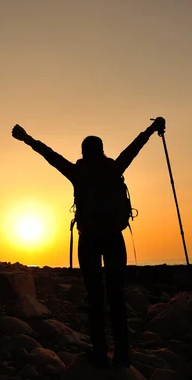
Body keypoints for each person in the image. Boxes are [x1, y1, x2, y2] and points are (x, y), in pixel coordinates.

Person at [11, 118, 166, 369]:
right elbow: (134, 147)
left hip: (89, 240)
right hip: (114, 238)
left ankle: (100, 353)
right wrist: (152, 128)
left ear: (83, 152)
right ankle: (123, 356)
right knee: (116, 297)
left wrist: (27, 138)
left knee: (94, 297)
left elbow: (50, 155)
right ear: (102, 150)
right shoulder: (114, 168)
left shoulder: (77, 172)